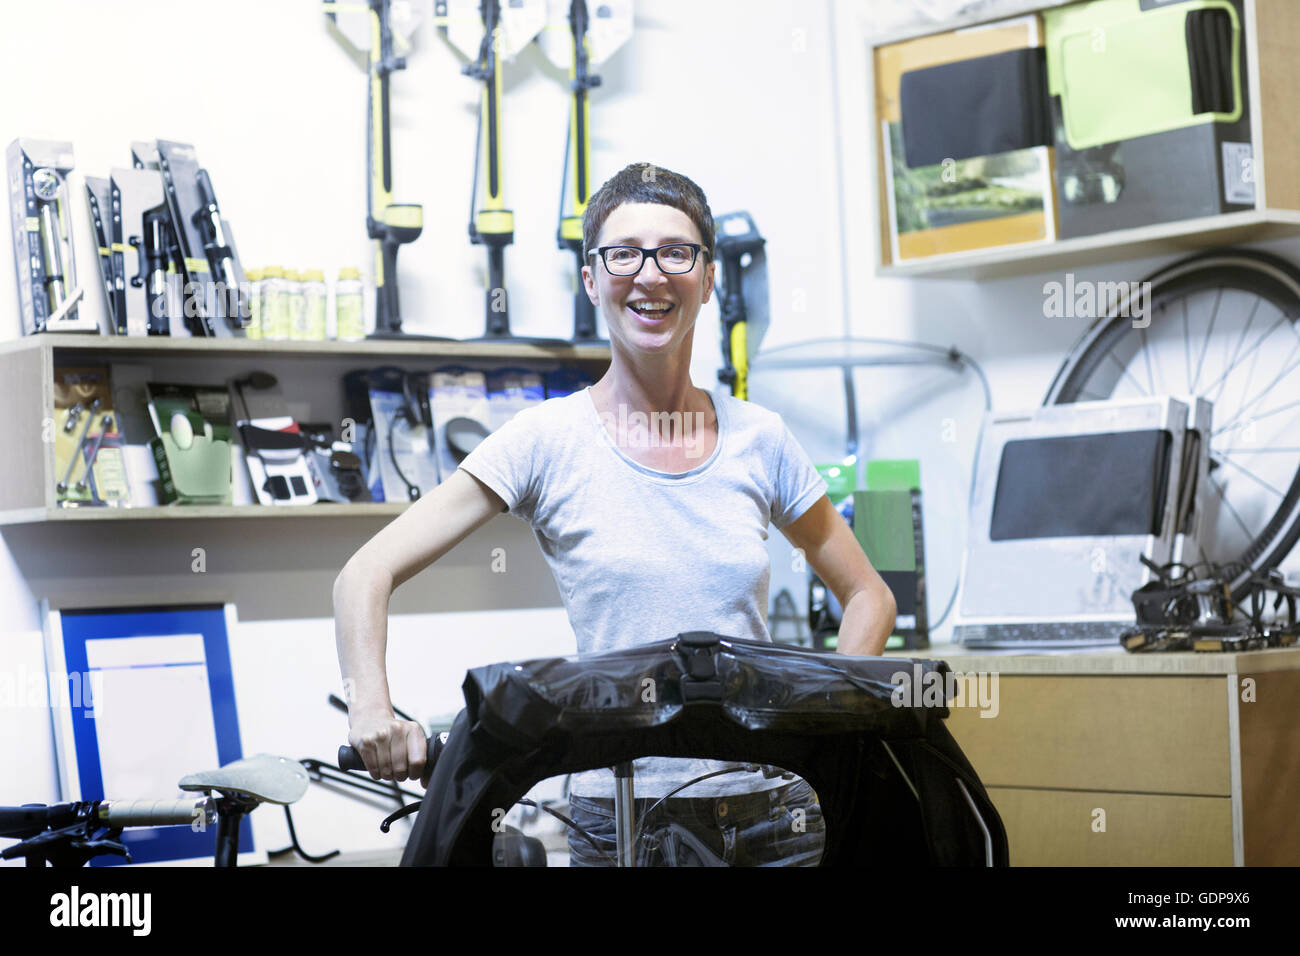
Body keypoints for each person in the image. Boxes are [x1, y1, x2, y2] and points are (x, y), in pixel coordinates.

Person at [333, 162, 897, 866]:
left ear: (709, 276)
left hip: (772, 813)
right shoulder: (546, 440)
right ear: (592, 279)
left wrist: (823, 724)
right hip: (619, 820)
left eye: (676, 252)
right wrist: (370, 708)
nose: (651, 274)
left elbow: (870, 594)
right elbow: (364, 573)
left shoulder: (762, 438)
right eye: (623, 253)